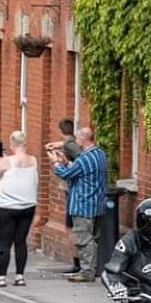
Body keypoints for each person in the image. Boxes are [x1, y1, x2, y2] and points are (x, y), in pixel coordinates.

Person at [50, 127, 108, 282]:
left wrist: (56, 163)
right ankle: (91, 269)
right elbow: (80, 172)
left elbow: (65, 174)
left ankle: (87, 272)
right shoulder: (100, 154)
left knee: (84, 239)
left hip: (83, 204)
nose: (75, 142)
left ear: (83, 140)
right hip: (97, 204)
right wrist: (66, 162)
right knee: (93, 238)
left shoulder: (84, 159)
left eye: (77, 139)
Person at [0, 130, 38, 288]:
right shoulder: (33, 160)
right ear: (25, 143)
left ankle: (1, 277)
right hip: (28, 206)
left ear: (12, 144)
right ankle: (20, 276)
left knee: (4, 243)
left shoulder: (6, 161)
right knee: (20, 241)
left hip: (7, 207)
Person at [46, 118, 83, 275]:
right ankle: (79, 263)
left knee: (72, 228)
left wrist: (58, 162)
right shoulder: (70, 143)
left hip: (72, 189)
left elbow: (79, 161)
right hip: (72, 190)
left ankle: (78, 264)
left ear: (60, 131)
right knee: (73, 227)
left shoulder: (71, 146)